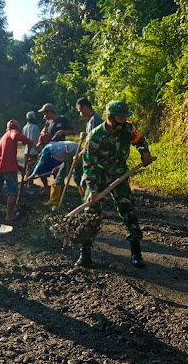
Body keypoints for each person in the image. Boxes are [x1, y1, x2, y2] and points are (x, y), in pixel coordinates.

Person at [76, 100, 156, 269]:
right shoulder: (96, 136)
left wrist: (145, 153)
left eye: (124, 117)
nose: (123, 121)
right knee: (91, 212)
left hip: (119, 174)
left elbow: (139, 141)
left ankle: (136, 253)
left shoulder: (128, 128)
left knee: (128, 210)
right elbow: (88, 165)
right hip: (98, 176)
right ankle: (85, 253)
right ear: (110, 117)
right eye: (120, 117)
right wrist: (92, 189)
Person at [0, 119, 34, 222]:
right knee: (12, 191)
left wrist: (20, 168)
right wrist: (29, 141)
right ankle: (9, 217)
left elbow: (7, 157)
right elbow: (15, 135)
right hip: (9, 169)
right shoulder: (12, 133)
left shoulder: (3, 137)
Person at [37, 103, 75, 195]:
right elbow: (44, 132)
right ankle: (46, 188)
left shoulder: (62, 120)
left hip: (60, 150)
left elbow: (73, 132)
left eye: (45, 113)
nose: (44, 116)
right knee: (41, 169)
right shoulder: (48, 122)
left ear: (51, 112)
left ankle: (59, 193)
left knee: (57, 172)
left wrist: (63, 131)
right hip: (49, 149)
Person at [72, 97, 103, 195]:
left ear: (86, 107)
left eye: (80, 111)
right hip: (89, 156)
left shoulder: (96, 120)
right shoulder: (89, 122)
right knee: (80, 179)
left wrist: (81, 154)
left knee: (87, 182)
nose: (80, 114)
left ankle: (91, 203)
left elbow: (95, 141)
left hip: (96, 157)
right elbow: (88, 142)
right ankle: (87, 201)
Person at [22, 112, 40, 186]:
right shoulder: (36, 127)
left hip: (26, 151)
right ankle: (30, 183)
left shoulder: (24, 128)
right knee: (32, 167)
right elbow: (37, 141)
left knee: (27, 167)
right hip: (34, 151)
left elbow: (23, 141)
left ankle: (28, 182)